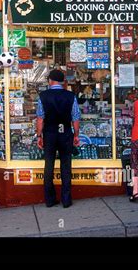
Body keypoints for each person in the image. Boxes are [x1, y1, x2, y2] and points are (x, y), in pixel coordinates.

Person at [36, 69, 80, 208]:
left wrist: (39, 136)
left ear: (50, 81)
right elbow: (76, 118)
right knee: (66, 166)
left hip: (49, 133)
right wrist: (76, 135)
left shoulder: (43, 96)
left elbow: (40, 119)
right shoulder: (70, 96)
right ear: (62, 82)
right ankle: (66, 200)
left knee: (48, 166)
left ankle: (50, 199)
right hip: (65, 133)